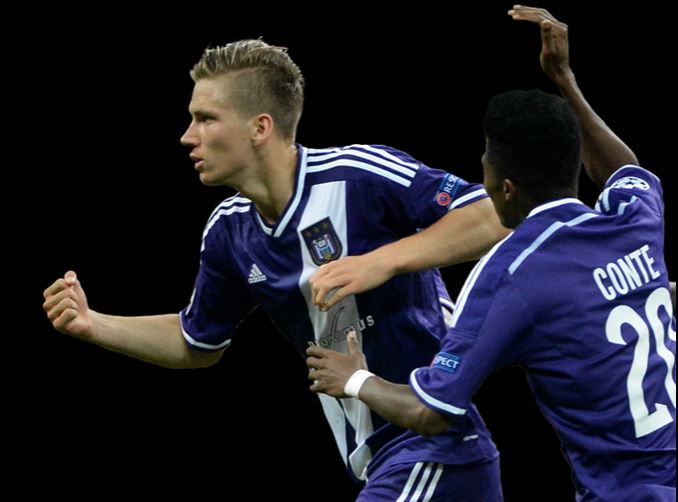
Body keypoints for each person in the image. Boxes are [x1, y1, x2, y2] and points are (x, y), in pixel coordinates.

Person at [42, 39, 509, 499]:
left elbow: (492, 216)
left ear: (260, 127)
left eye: (206, 118)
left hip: (434, 445)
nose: (188, 135)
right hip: (381, 461)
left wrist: (378, 262)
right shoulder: (229, 232)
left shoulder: (358, 175)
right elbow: (196, 342)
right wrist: (93, 324)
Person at [307, 6, 676, 501]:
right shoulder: (636, 221)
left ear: (505, 188)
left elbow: (431, 412)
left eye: (483, 167)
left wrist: (354, 379)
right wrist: (564, 79)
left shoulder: (512, 274)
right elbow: (625, 169)